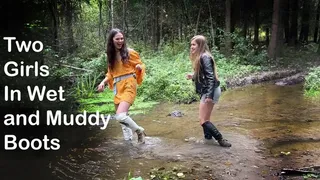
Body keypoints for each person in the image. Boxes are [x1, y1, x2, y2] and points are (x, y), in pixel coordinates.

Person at [97, 28, 146, 144]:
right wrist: (103, 82)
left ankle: (139, 131)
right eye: (117, 39)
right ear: (112, 40)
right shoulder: (111, 55)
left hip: (129, 83)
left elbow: (141, 64)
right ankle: (128, 143)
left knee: (120, 116)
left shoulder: (130, 52)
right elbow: (110, 74)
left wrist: (139, 67)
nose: (120, 41)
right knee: (123, 122)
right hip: (117, 86)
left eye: (122, 38)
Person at [186, 35, 231, 147]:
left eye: (194, 44)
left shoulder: (204, 57)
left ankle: (221, 140)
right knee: (206, 119)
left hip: (210, 91)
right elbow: (205, 75)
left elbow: (211, 77)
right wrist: (193, 75)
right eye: (191, 44)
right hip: (209, 90)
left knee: (203, 120)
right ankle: (208, 140)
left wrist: (209, 96)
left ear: (200, 45)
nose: (191, 47)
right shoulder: (202, 56)